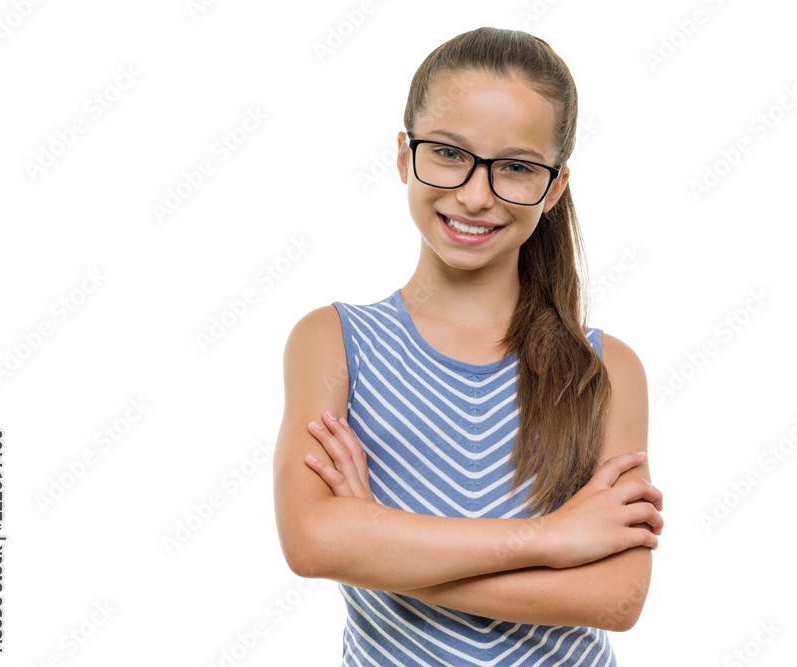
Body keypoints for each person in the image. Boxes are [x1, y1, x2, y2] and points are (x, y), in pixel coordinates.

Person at [272, 26, 664, 666]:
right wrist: (551, 538)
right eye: (449, 154)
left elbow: (616, 598)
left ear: (554, 189)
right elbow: (314, 542)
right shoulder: (334, 341)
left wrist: (378, 538)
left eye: (515, 167)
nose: (476, 194)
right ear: (404, 156)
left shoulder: (605, 369)